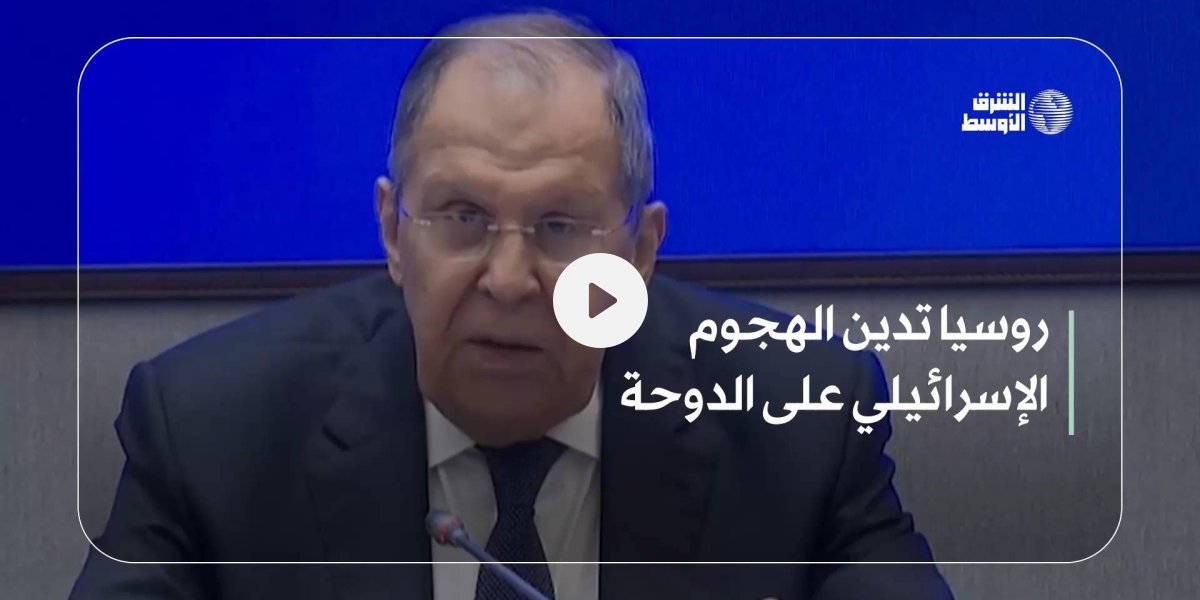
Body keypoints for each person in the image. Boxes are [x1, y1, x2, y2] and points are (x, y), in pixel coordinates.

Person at [72, 11, 954, 600]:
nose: (508, 278)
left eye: (561, 226)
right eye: (462, 217)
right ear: (392, 230)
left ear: (641, 253)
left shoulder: (798, 418)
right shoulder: (212, 432)